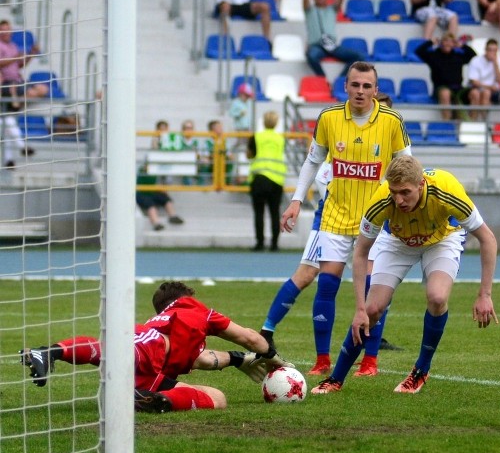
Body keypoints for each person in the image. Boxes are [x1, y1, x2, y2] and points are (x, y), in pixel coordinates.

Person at [311, 155, 499, 394]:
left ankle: (420, 370)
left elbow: (488, 239)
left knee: (438, 297)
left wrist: (485, 294)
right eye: (394, 192)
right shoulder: (381, 199)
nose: (398, 199)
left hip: (441, 240)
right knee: (371, 311)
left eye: (405, 192)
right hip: (396, 242)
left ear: (421, 185)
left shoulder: (447, 189)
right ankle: (335, 379)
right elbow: (360, 252)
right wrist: (359, 308)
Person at [280, 61, 411, 375]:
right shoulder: (329, 118)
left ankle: (370, 360)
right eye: (355, 85)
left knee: (371, 288)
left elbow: (407, 165)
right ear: (347, 87)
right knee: (327, 284)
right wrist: (296, 200)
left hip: (376, 217)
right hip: (335, 214)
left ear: (375, 91)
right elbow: (313, 162)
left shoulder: (392, 121)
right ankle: (322, 360)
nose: (361, 91)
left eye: (367, 86)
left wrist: (403, 204)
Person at [20, 281, 289, 412]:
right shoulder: (197, 311)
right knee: (217, 399)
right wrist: (272, 355)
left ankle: (155, 400)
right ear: (185, 299)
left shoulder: (161, 323)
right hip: (150, 352)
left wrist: (239, 360)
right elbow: (250, 338)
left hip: (149, 366)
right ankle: (48, 351)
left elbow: (204, 359)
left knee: (112, 348)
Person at [303, 0, 367, 77]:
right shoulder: (309, 10)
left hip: (332, 45)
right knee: (311, 55)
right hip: (317, 45)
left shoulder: (332, 9)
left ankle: (340, 80)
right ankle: (323, 79)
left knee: (359, 56)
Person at [0, 19, 43, 167]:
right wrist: (15, 58)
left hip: (15, 84)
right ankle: (21, 148)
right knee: (7, 121)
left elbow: (19, 64)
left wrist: (31, 53)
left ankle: (9, 159)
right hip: (5, 87)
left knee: (7, 122)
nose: (7, 32)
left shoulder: (12, 46)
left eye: (8, 29)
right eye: (3, 30)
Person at [247, 111, 287, 252]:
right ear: (276, 123)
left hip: (259, 178)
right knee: (275, 212)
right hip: (276, 179)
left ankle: (259, 243)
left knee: (259, 212)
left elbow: (249, 154)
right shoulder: (280, 139)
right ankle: (274, 244)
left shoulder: (256, 137)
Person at [415, 33, 477, 120]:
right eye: (445, 40)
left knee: (475, 93)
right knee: (445, 93)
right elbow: (418, 51)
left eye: (451, 41)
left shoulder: (458, 56)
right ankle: (447, 121)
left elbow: (473, 55)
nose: (448, 43)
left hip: (458, 89)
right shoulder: (434, 56)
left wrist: (462, 45)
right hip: (441, 88)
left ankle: (473, 122)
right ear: (441, 43)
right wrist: (431, 42)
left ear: (454, 44)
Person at [466, 38, 500, 122]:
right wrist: (489, 87)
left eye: (494, 50)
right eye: (490, 50)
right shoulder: (476, 61)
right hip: (480, 89)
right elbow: (474, 82)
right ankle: (485, 122)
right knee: (486, 93)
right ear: (485, 50)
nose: (492, 52)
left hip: (494, 90)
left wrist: (495, 63)